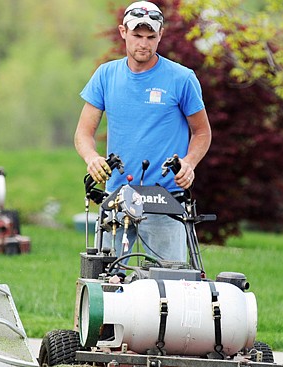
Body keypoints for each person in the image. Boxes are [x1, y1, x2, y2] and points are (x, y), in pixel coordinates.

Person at [74, 1, 212, 263]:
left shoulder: (182, 78)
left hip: (166, 199)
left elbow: (202, 133)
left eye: (151, 37)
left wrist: (189, 163)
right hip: (118, 197)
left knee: (169, 284)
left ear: (161, 35)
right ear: (123, 32)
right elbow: (83, 133)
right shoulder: (105, 75)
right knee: (107, 280)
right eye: (137, 35)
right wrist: (92, 158)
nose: (144, 43)